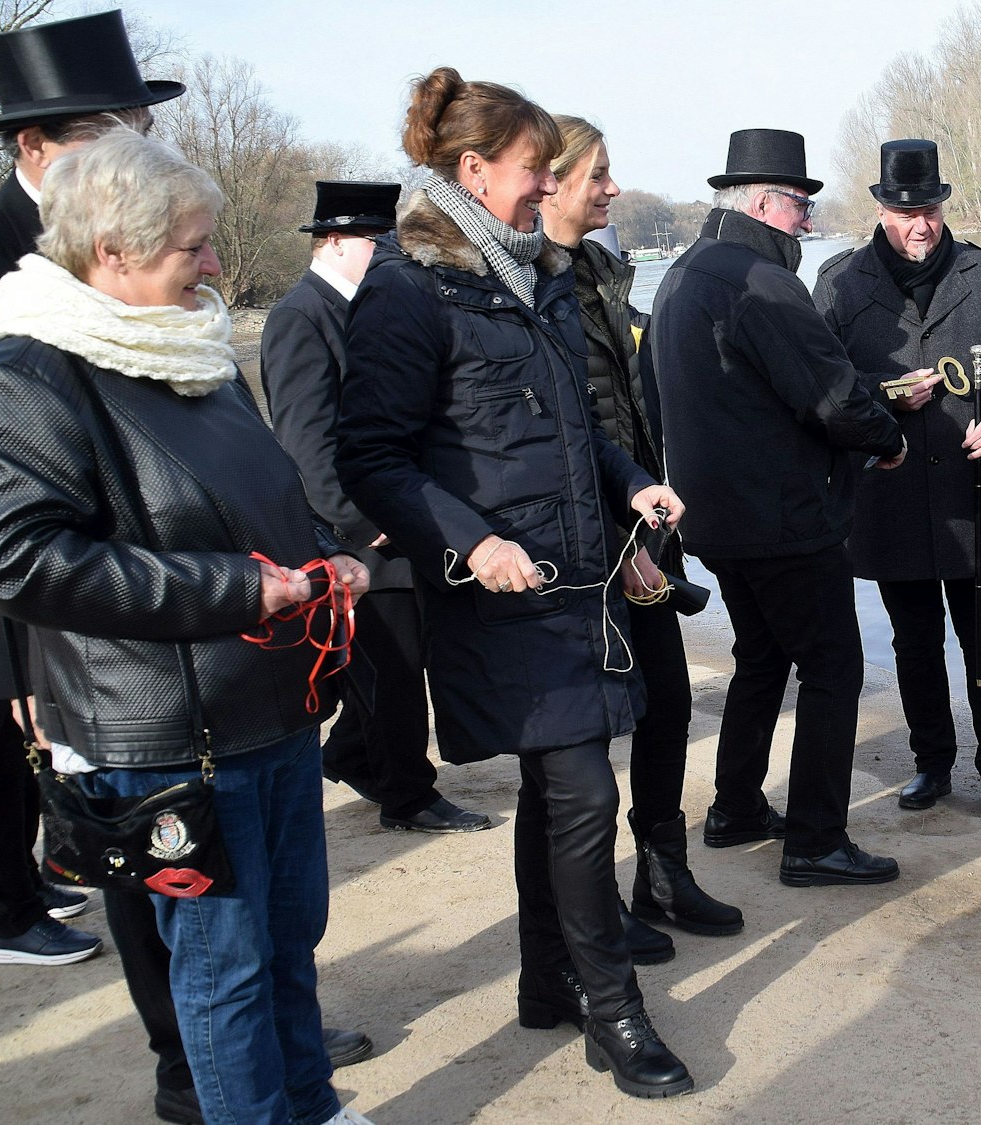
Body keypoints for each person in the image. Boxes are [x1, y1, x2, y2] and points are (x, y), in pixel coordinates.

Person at [0, 127, 375, 1125]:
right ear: (110, 251)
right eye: (193, 245)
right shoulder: (31, 374)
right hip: (170, 739)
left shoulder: (191, 347)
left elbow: (268, 494)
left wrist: (328, 556)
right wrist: (238, 593)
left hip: (270, 707)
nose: (213, 264)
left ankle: (311, 1106)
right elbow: (18, 559)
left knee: (289, 939)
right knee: (222, 967)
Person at [335, 68, 693, 1099]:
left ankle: (549, 981)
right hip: (498, 590)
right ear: (473, 168)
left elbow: (573, 422)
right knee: (583, 790)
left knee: (558, 788)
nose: (545, 186)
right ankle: (612, 1011)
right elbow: (372, 459)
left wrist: (633, 483)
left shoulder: (528, 276)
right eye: (535, 169)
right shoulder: (406, 289)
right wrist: (469, 543)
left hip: (574, 574)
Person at [651, 128, 918, 887]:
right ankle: (815, 840)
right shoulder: (759, 282)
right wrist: (884, 434)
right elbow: (830, 393)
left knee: (762, 658)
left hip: (718, 516)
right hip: (783, 518)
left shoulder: (684, 274)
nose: (808, 218)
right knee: (834, 667)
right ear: (766, 202)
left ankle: (736, 808)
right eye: (802, 204)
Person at [0, 8, 179, 977]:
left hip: (121, 570)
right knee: (6, 739)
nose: (130, 148)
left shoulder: (124, 240)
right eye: (105, 130)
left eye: (136, 126)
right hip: (17, 575)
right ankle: (10, 907)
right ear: (35, 145)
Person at [541, 115, 741, 958]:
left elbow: (630, 403)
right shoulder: (531, 286)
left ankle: (661, 872)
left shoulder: (598, 272)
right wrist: (618, 540)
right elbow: (565, 429)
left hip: (642, 529)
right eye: (599, 174)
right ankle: (584, 916)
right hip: (587, 548)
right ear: (549, 180)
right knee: (578, 749)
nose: (614, 188)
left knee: (664, 704)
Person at [813, 138, 981, 822]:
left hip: (973, 493)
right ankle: (931, 764)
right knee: (913, 641)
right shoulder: (840, 283)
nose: (921, 224)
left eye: (931, 210)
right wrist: (884, 396)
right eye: (905, 210)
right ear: (881, 208)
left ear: (944, 206)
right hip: (889, 493)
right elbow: (823, 385)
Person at [259, 180, 493, 836]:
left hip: (391, 515)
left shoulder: (365, 307)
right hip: (357, 531)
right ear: (332, 241)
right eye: (376, 240)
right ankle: (409, 796)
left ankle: (356, 754)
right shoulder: (299, 316)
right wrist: (366, 526)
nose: (389, 251)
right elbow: (305, 445)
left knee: (390, 662)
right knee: (392, 666)